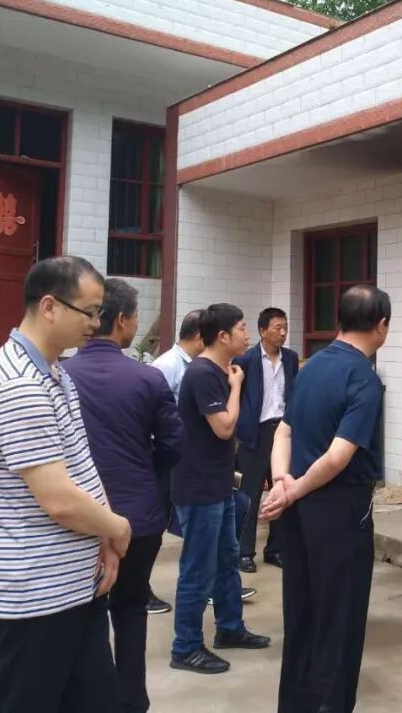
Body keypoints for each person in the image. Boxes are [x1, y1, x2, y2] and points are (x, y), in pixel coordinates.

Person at [0, 256, 131, 713]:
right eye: (89, 311)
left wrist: (102, 537)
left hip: (73, 587)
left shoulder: (54, 373)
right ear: (49, 306)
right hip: (34, 598)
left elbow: (80, 467)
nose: (96, 324)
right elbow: (58, 499)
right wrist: (118, 528)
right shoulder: (17, 384)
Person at [261, 285, 390, 713]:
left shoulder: (311, 366)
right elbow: (338, 456)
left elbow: (284, 431)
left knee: (301, 612)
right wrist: (293, 487)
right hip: (338, 511)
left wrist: (282, 482)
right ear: (382, 326)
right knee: (340, 620)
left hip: (298, 511)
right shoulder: (364, 379)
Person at [64, 278, 183, 713]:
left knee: (81, 614)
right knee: (131, 609)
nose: (135, 325)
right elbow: (174, 445)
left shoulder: (61, 375)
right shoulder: (147, 378)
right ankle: (133, 699)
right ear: (120, 320)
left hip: (75, 516)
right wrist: (144, 471)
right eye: (134, 317)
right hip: (138, 515)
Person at [170, 303, 270, 675]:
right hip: (199, 488)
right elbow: (225, 427)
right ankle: (185, 647)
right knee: (198, 568)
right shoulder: (202, 374)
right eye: (242, 328)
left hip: (219, 485)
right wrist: (237, 386)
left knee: (227, 561)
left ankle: (230, 628)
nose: (247, 334)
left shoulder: (218, 371)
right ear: (223, 336)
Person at [146, 308, 205, 615]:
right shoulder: (167, 365)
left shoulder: (191, 365)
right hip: (163, 459)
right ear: (199, 337)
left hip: (183, 458)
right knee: (153, 525)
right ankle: (139, 588)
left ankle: (208, 586)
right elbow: (149, 413)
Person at [234, 307, 299, 573]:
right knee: (249, 495)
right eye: (277, 327)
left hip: (283, 431)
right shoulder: (245, 360)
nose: (283, 333)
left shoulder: (290, 359)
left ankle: (276, 549)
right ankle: (244, 552)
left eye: (285, 327)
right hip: (255, 434)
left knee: (281, 491)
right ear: (262, 330)